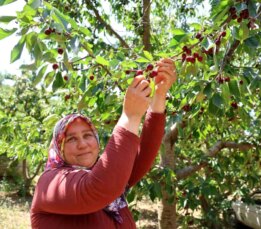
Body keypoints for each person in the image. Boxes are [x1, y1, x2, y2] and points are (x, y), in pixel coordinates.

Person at [30, 58, 177, 229]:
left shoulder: (110, 176)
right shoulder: (50, 183)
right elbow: (97, 188)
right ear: (58, 148)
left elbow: (144, 152)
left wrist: (158, 95)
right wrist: (130, 117)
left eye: (87, 135)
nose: (83, 144)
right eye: (71, 139)